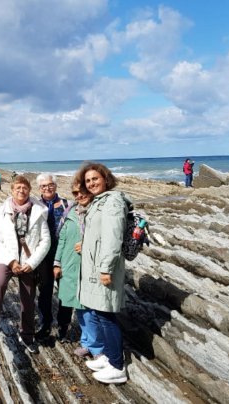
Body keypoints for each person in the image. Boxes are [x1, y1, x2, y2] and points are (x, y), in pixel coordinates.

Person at [0, 176, 50, 354]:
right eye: (18, 188)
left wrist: (31, 263)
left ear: (29, 190)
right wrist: (11, 261)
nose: (21, 191)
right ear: (12, 190)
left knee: (28, 298)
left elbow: (45, 241)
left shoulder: (38, 211)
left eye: (24, 188)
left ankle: (27, 335)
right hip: (8, 258)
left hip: (28, 261)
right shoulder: (3, 211)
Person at [77, 162, 129, 384]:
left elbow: (112, 237)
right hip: (94, 268)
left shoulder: (113, 202)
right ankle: (109, 357)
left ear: (106, 179)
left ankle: (117, 366)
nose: (91, 183)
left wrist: (106, 269)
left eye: (95, 179)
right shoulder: (99, 202)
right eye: (88, 181)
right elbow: (97, 234)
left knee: (107, 316)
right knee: (99, 313)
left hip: (103, 269)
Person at [54, 180, 104, 358]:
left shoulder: (98, 212)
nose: (79, 196)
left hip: (90, 268)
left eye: (82, 191)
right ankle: (87, 342)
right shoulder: (69, 212)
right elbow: (62, 239)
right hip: (70, 266)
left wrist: (87, 244)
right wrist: (57, 262)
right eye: (75, 193)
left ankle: (97, 348)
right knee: (79, 308)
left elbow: (107, 240)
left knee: (90, 309)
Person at [35, 173, 68, 341]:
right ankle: (45, 324)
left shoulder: (65, 204)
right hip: (43, 255)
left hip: (63, 253)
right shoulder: (34, 205)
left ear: (55, 186)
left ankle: (63, 325)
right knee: (45, 290)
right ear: (39, 188)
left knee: (64, 291)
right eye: (43, 186)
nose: (47, 188)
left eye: (50, 185)